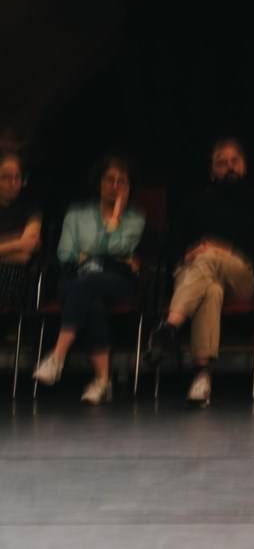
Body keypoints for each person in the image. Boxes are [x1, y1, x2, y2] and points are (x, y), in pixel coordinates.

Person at [149, 138, 254, 405]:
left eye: (234, 161)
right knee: (211, 290)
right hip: (198, 276)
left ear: (244, 165)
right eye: (222, 163)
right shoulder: (195, 201)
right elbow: (170, 244)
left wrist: (223, 249)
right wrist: (187, 253)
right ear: (212, 169)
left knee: (207, 256)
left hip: (242, 276)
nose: (229, 167)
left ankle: (171, 325)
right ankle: (202, 377)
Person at [32, 156, 147, 402]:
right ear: (99, 183)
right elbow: (65, 252)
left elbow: (119, 248)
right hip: (76, 276)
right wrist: (104, 254)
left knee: (88, 284)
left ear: (129, 187)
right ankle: (102, 381)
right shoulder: (77, 213)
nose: (115, 186)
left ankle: (57, 356)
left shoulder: (135, 217)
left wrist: (115, 218)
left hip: (117, 279)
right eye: (109, 179)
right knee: (90, 297)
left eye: (122, 181)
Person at [0, 150, 41, 316]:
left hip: (15, 275)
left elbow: (26, 253)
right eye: (5, 177)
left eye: (17, 177)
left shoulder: (30, 207)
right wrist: (17, 243)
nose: (13, 183)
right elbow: (21, 247)